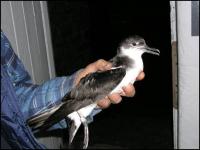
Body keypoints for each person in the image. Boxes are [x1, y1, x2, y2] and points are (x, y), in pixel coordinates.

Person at [1, 30, 145, 149]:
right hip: (76, 103)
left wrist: (75, 86)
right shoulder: (119, 70)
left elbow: (12, 100)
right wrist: (82, 95)